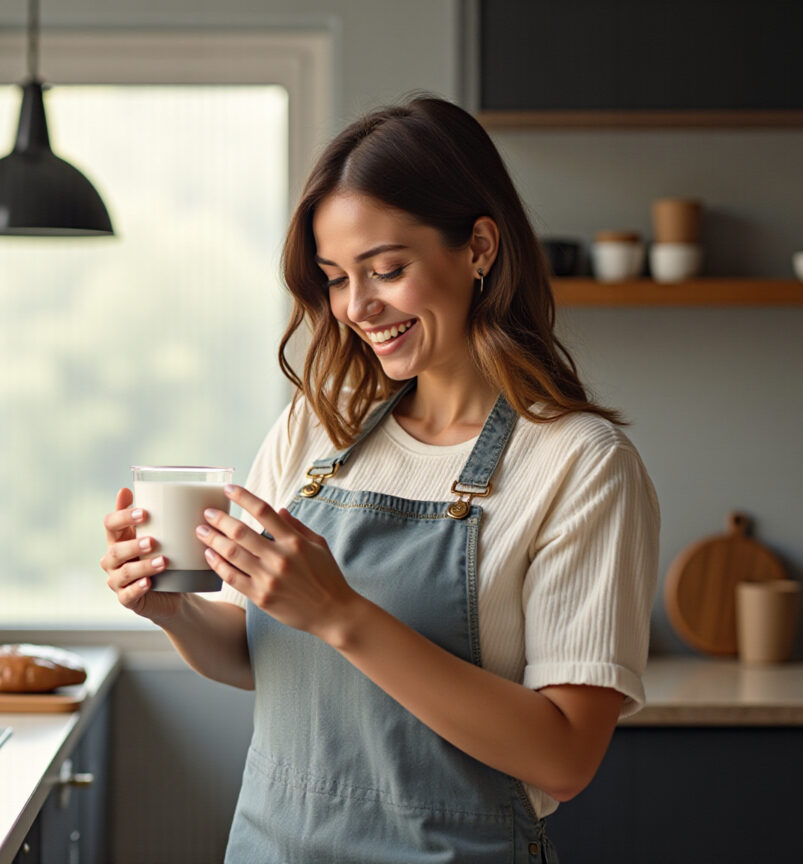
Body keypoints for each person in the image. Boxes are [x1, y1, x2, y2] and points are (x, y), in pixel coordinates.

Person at [100, 95, 658, 863]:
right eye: (334, 278)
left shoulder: (579, 464)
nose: (357, 307)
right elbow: (259, 654)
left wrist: (341, 613)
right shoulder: (318, 426)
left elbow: (564, 755)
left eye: (386, 270)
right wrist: (176, 613)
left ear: (479, 248)